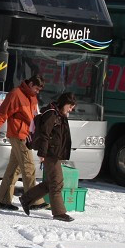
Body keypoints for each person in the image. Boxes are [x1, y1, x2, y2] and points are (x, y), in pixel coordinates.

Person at [0, 74, 48, 211]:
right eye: (37, 89)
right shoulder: (15, 94)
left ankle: (3, 200)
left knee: (14, 169)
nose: (37, 92)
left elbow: (34, 116)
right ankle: (33, 201)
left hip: (25, 135)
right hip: (18, 135)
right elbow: (2, 114)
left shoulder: (32, 96)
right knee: (29, 167)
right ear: (31, 84)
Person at [20, 92, 76, 222]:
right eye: (70, 106)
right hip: (50, 153)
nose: (71, 109)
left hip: (55, 153)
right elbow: (45, 134)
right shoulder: (52, 114)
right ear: (64, 103)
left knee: (52, 182)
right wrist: (42, 153)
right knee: (56, 182)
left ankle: (26, 199)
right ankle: (59, 213)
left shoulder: (59, 114)